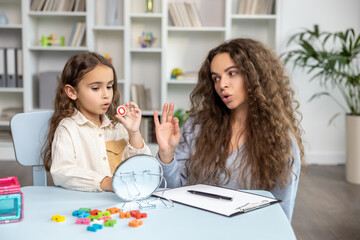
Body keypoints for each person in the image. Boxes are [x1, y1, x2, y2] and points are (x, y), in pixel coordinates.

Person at [154, 38, 305, 221]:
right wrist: (167, 153)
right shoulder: (197, 127)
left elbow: (281, 213)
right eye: (216, 78)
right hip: (194, 227)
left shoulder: (281, 141)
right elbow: (173, 190)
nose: (222, 84)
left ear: (254, 75)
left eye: (232, 73)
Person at [42, 52, 151, 192]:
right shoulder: (68, 129)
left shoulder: (117, 127)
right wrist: (106, 183)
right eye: (95, 88)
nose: (106, 95)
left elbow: (144, 168)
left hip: (120, 205)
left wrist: (134, 133)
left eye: (109, 86)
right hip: (85, 206)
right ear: (72, 92)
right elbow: (62, 172)